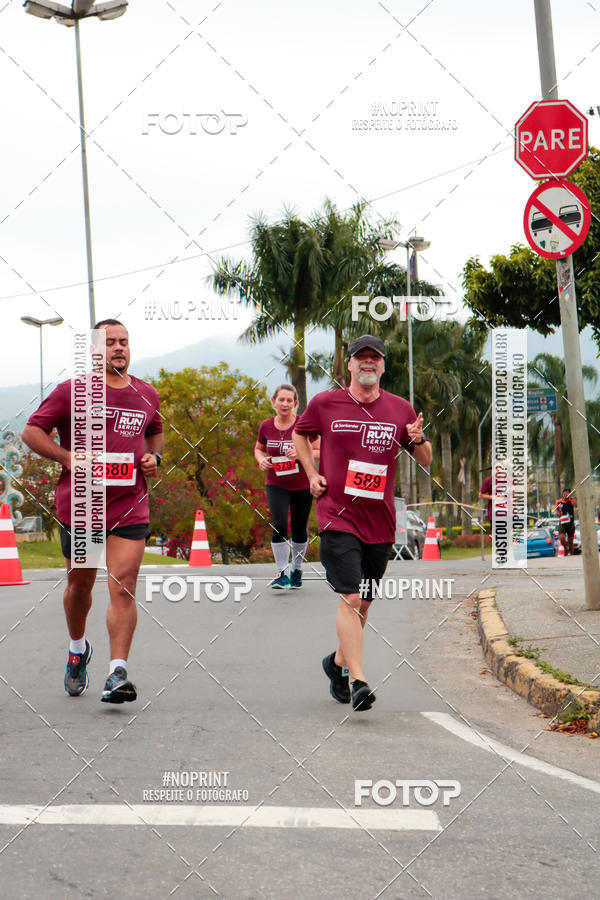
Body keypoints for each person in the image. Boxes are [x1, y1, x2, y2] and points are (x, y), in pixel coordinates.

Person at [21, 319, 163, 703]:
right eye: (110, 342)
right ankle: (77, 647)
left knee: (124, 585)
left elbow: (155, 431)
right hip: (83, 506)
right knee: (79, 587)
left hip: (130, 504)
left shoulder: (146, 393)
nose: (119, 347)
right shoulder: (73, 391)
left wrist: (154, 458)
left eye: (124, 341)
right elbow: (32, 432)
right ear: (95, 351)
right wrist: (69, 458)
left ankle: (117, 672)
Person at [293, 335, 432, 712]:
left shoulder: (400, 409)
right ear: (349, 364)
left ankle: (335, 663)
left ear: (383, 366)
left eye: (375, 358)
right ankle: (359, 680)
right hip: (337, 515)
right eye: (361, 357)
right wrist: (311, 473)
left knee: (364, 603)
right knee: (350, 597)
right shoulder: (326, 404)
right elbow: (300, 434)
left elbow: (425, 459)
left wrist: (417, 440)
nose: (368, 363)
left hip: (379, 523)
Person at [255, 384, 319, 589]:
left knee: (299, 527)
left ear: (296, 404)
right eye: (281, 399)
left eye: (289, 400)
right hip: (276, 482)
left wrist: (301, 453)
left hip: (302, 482)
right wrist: (261, 459)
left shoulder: (303, 424)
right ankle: (281, 572)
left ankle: (296, 569)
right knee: (280, 523)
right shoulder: (266, 426)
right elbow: (258, 448)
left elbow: (319, 450)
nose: (285, 404)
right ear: (273, 402)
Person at [554, 488, 577, 555]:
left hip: (571, 522)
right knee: (561, 537)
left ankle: (571, 554)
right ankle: (566, 549)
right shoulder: (558, 501)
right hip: (562, 522)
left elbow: (576, 505)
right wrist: (557, 513)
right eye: (564, 493)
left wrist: (571, 498)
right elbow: (557, 511)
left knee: (570, 540)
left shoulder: (571, 500)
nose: (565, 494)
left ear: (569, 493)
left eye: (567, 493)